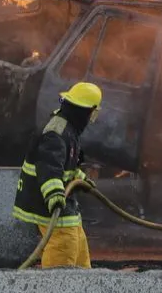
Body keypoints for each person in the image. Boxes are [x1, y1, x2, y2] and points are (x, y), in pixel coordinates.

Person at [11, 81, 103, 269]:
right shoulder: (57, 132)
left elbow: (65, 165)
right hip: (49, 204)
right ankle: (55, 291)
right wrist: (54, 194)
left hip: (64, 204)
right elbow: (49, 167)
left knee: (77, 242)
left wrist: (81, 179)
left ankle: (82, 290)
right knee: (64, 244)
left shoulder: (69, 129)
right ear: (88, 111)